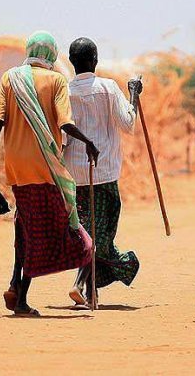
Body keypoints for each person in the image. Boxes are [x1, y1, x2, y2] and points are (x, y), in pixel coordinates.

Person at [0, 31, 98, 316]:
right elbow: (65, 124)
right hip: (45, 169)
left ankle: (14, 285)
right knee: (44, 231)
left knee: (24, 225)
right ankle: (21, 299)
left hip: (17, 169)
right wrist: (89, 142)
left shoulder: (10, 78)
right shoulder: (56, 80)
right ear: (51, 54)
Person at [64, 37, 142, 306]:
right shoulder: (108, 88)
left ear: (72, 62)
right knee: (102, 233)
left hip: (75, 174)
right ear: (95, 60)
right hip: (105, 172)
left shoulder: (64, 91)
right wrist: (134, 94)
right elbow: (128, 123)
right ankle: (79, 284)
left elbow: (61, 135)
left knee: (86, 230)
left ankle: (89, 288)